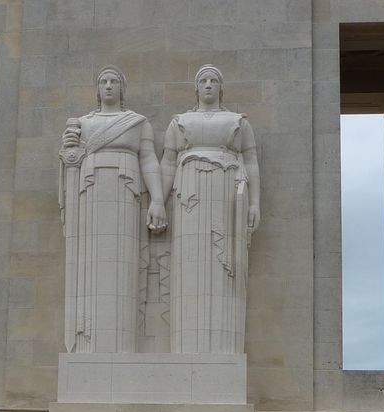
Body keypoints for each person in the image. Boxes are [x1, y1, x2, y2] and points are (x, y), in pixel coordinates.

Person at [59, 66, 167, 353]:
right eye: (103, 81)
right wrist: (69, 153)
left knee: (125, 265)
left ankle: (122, 345)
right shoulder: (82, 123)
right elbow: (72, 161)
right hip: (91, 195)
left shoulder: (137, 122)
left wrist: (158, 200)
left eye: (114, 81)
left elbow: (148, 160)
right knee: (91, 264)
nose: (108, 86)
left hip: (126, 192)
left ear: (122, 88)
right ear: (97, 89)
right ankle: (88, 343)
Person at [160, 65, 260, 354]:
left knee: (224, 267)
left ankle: (222, 347)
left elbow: (250, 162)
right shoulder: (180, 122)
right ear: (196, 88)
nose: (208, 85)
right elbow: (167, 162)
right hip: (188, 196)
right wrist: (157, 201)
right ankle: (187, 347)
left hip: (226, 192)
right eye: (202, 80)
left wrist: (255, 203)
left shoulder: (237, 122)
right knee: (190, 266)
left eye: (213, 80)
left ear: (220, 87)